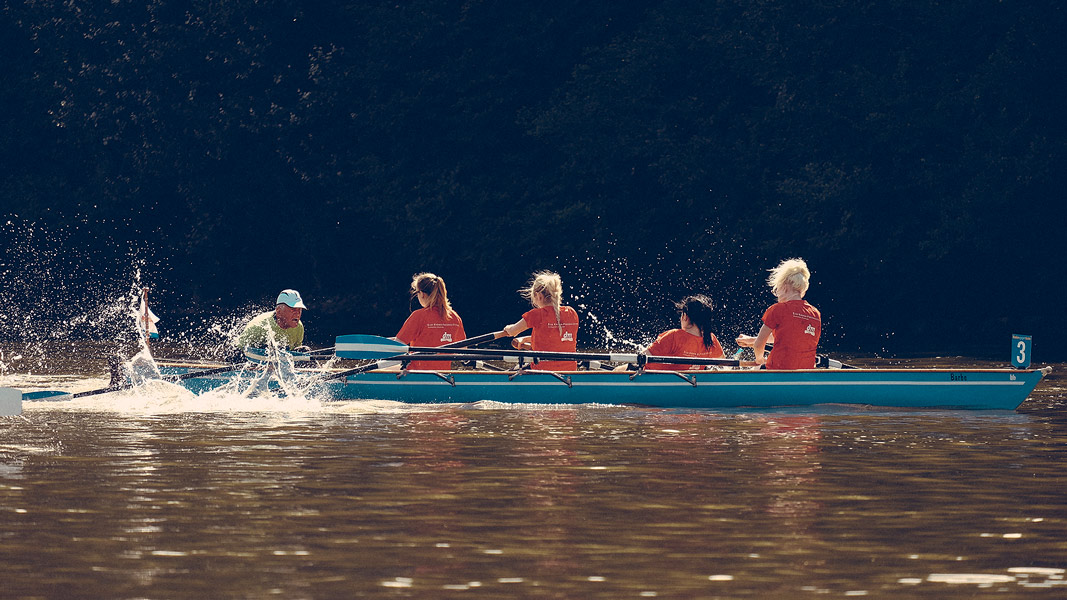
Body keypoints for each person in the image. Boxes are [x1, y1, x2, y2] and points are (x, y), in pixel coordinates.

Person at [736, 258, 821, 369]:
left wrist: (759, 359)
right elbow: (789, 336)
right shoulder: (815, 313)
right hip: (806, 370)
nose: (777, 295)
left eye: (777, 289)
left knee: (755, 368)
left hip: (778, 369)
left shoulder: (777, 309)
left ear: (784, 287)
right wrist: (751, 340)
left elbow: (758, 346)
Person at [496, 271, 579, 371]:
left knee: (510, 372)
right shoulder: (571, 313)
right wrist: (526, 339)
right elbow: (554, 338)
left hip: (542, 371)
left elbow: (513, 331)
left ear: (539, 295)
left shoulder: (536, 315)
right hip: (571, 371)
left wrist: (508, 328)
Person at [395, 273, 466, 370]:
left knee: (383, 369)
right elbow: (463, 350)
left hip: (416, 374)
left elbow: (397, 346)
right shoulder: (454, 317)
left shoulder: (418, 316)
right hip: (443, 376)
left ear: (422, 294)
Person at [643, 295, 726, 370]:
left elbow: (641, 358)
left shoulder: (673, 336)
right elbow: (725, 364)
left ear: (685, 317)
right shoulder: (711, 340)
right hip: (691, 383)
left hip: (656, 381)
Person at [235, 289, 308, 351]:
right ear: (279, 312)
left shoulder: (299, 327)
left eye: (299, 310)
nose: (298, 314)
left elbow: (294, 354)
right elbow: (236, 349)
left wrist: (300, 352)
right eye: (293, 309)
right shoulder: (258, 326)